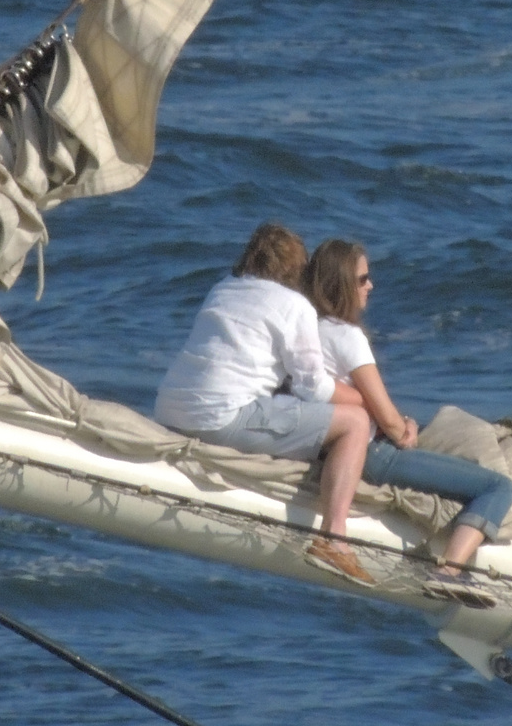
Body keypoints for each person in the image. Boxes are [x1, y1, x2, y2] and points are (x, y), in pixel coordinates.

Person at [155, 224, 377, 586]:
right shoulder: (294, 305)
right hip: (221, 417)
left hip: (169, 409)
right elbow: (313, 389)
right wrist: (365, 401)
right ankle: (335, 540)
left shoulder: (223, 288)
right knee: (353, 422)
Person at [304, 239, 512, 610]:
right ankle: (449, 573)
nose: (371, 286)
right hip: (368, 454)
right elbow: (386, 418)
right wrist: (406, 428)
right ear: (342, 285)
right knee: (498, 486)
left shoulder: (307, 330)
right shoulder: (347, 336)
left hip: (320, 442)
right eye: (363, 279)